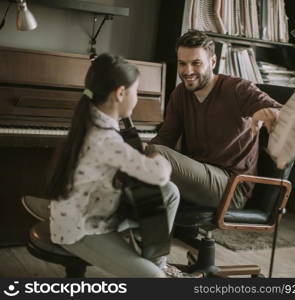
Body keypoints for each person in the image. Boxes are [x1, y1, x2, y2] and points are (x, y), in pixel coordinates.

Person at [45, 53, 198, 278]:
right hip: (79, 229)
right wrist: (157, 156)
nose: (137, 98)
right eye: (136, 91)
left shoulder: (93, 118)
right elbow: (159, 174)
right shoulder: (104, 139)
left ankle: (157, 261)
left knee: (170, 192)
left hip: (100, 208)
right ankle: (156, 271)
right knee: (153, 279)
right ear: (120, 93)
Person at [148, 30, 282, 210]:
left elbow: (282, 113)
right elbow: (165, 139)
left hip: (232, 187)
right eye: (182, 64)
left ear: (212, 62)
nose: (187, 71)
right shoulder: (180, 93)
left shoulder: (238, 89)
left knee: (155, 155)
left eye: (196, 63)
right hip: (199, 175)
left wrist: (265, 113)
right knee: (144, 154)